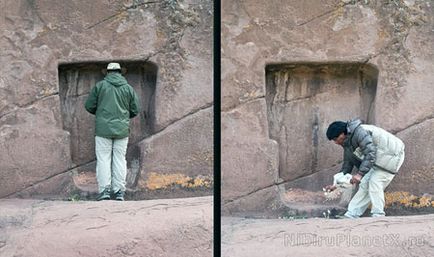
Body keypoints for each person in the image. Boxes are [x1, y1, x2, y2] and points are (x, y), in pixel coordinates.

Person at [326, 119, 405, 218]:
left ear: (342, 133)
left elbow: (370, 153)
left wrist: (360, 174)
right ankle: (351, 215)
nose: (336, 142)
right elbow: (348, 163)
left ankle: (378, 215)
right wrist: (336, 185)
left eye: (335, 139)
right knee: (364, 184)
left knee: (375, 182)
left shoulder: (360, 132)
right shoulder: (347, 140)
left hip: (393, 156)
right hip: (378, 159)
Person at [85, 63, 139, 201]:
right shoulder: (128, 88)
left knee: (103, 159)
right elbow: (135, 110)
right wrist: (123, 118)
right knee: (120, 159)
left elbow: (89, 106)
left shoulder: (100, 86)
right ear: (120, 72)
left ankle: (104, 191)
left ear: (107, 72)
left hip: (103, 129)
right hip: (122, 130)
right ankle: (119, 191)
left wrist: (100, 114)